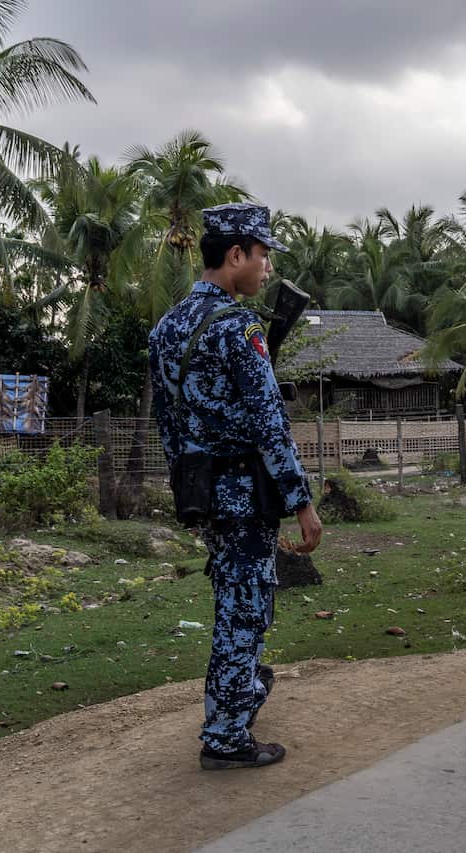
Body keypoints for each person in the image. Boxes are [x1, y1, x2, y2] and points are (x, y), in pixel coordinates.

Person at [149, 202, 322, 771]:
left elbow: (169, 425)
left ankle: (241, 690)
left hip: (203, 495)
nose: (268, 268)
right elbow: (270, 421)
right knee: (243, 612)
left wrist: (190, 493)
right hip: (247, 497)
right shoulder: (238, 326)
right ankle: (226, 737)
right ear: (236, 255)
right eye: (264, 255)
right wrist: (301, 502)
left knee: (232, 600)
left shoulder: (166, 327)